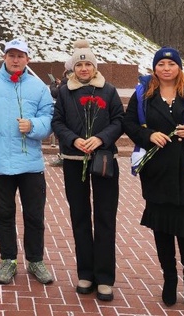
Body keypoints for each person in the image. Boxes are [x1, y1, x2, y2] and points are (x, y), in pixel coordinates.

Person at [123, 47, 184, 309]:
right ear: (154, 68)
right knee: (163, 229)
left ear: (179, 67)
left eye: (171, 63)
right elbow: (129, 123)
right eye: (161, 64)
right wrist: (148, 136)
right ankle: (169, 279)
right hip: (157, 172)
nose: (166, 68)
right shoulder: (144, 93)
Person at [51, 40, 124, 302]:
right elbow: (57, 122)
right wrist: (73, 140)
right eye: (79, 64)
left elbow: (119, 121)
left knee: (105, 217)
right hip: (74, 159)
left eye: (88, 64)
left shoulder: (109, 91)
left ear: (95, 67)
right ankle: (85, 273)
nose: (84, 68)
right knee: (80, 216)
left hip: (103, 159)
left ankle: (105, 278)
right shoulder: (65, 92)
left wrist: (101, 138)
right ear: (73, 68)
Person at [0, 39, 54, 285]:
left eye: (20, 56)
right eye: (11, 55)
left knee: (34, 215)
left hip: (30, 163)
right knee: (3, 213)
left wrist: (33, 126)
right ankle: (8, 260)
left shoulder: (39, 86)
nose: (15, 60)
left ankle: (35, 260)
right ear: (5, 57)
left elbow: (49, 117)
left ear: (27, 59)